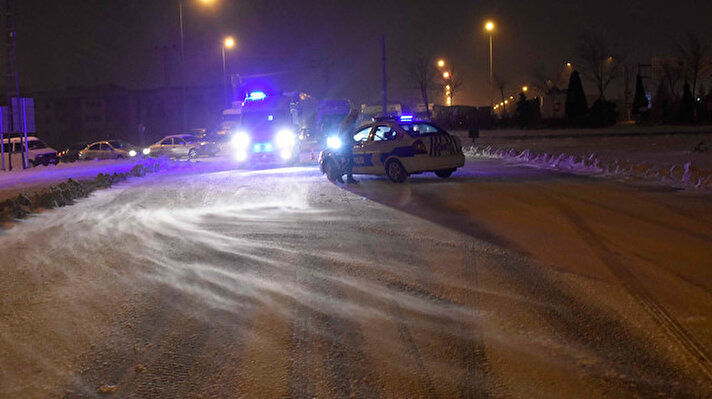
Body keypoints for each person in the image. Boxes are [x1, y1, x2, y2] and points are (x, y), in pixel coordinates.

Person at [338, 109, 360, 184]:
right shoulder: (350, 121)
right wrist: (355, 142)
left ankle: (348, 178)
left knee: (348, 161)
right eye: (357, 115)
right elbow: (348, 134)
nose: (358, 117)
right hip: (345, 144)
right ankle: (340, 176)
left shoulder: (348, 120)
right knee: (349, 161)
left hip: (345, 144)